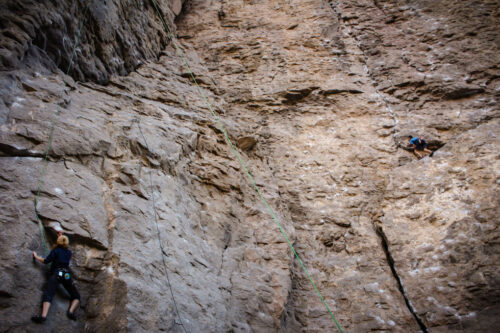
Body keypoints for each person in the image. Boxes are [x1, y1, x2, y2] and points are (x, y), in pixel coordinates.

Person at [31, 235, 80, 323]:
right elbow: (63, 244)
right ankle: (70, 312)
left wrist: (36, 257)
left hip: (57, 274)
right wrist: (61, 236)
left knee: (48, 294)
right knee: (76, 296)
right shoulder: (68, 252)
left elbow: (46, 261)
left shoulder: (56, 251)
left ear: (58, 242)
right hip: (66, 274)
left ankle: (43, 317)